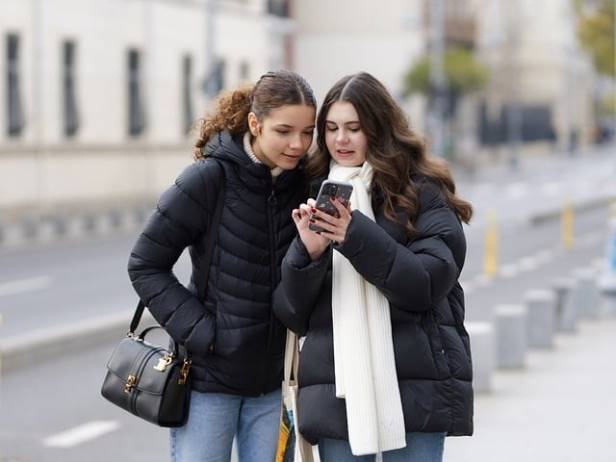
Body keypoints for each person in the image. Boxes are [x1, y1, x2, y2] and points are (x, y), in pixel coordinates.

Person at [274, 72, 474, 462]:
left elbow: (426, 285)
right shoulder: (310, 192)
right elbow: (292, 312)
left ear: (379, 128)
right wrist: (309, 255)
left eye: (353, 128)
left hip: (416, 388)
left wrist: (353, 235)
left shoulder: (422, 192)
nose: (340, 140)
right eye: (330, 128)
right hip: (337, 392)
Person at [127, 70, 316, 462]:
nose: (298, 144)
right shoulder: (209, 178)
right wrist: (204, 333)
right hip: (207, 382)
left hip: (273, 385)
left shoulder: (305, 185)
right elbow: (145, 263)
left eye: (308, 132)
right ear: (254, 123)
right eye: (284, 131)